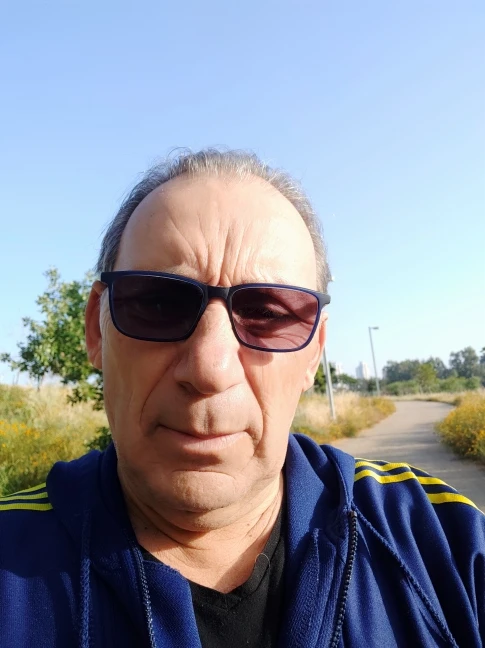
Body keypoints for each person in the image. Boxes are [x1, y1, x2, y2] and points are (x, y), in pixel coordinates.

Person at [0, 149, 483, 648]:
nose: (210, 369)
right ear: (96, 330)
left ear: (314, 353)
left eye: (268, 314)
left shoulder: (444, 543)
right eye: (159, 303)